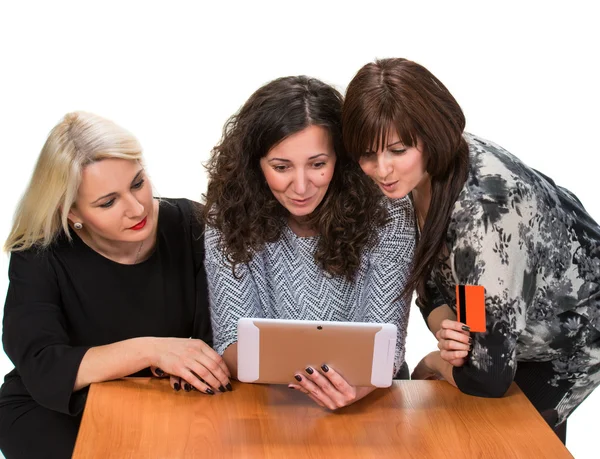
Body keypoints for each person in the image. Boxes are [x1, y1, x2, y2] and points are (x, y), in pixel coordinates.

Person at [342, 57, 600, 442]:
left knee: (504, 437)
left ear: (430, 135)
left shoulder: (484, 216)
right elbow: (431, 285)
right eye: (367, 154)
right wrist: (447, 327)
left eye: (397, 150)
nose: (382, 170)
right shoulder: (416, 175)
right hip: (505, 323)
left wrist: (434, 362)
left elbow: (488, 378)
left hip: (571, 337)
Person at [0, 112, 231, 459]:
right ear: (72, 212)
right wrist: (152, 350)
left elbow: (216, 338)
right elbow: (44, 365)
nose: (137, 208)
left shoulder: (191, 225)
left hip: (166, 397)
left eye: (138, 183)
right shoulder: (39, 253)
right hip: (58, 410)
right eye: (108, 202)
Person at [203, 75, 415, 410]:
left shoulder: (387, 210)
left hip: (367, 398)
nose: (300, 187)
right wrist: (307, 381)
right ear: (254, 165)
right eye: (281, 167)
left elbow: (388, 344)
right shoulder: (229, 213)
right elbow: (232, 338)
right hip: (268, 400)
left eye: (318, 164)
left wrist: (354, 389)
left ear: (341, 159)